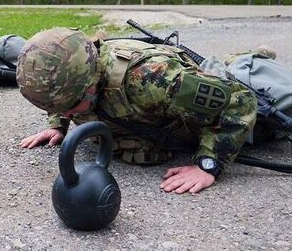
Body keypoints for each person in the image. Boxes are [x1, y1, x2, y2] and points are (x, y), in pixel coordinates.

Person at [16, 27, 257, 195]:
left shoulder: (151, 80)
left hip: (193, 99)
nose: (68, 114)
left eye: (68, 108)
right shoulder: (69, 71)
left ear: (91, 83)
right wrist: (57, 124)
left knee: (264, 112)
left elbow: (239, 100)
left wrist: (208, 164)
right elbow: (60, 97)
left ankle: (253, 58)